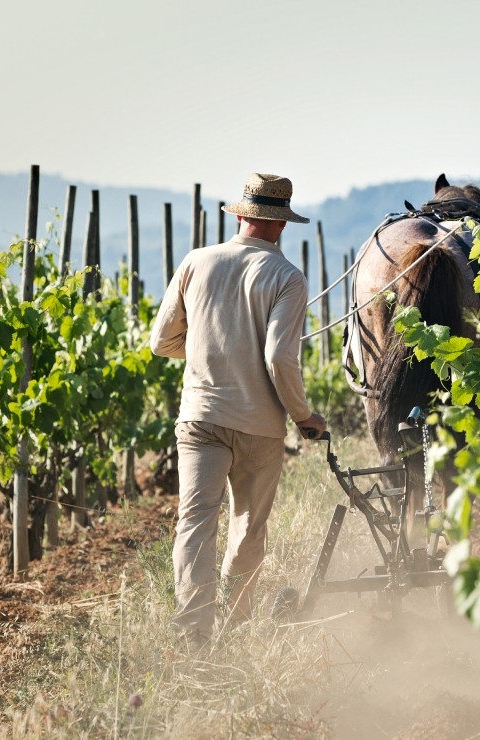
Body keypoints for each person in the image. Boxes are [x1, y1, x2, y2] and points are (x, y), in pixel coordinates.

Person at [150, 172, 327, 646]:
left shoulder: (196, 261)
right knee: (247, 529)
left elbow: (160, 341)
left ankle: (193, 633)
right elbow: (278, 358)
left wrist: (208, 350)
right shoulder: (287, 277)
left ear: (242, 215)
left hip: (201, 417)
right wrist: (303, 416)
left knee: (195, 523)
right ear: (281, 224)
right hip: (258, 425)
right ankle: (236, 626)